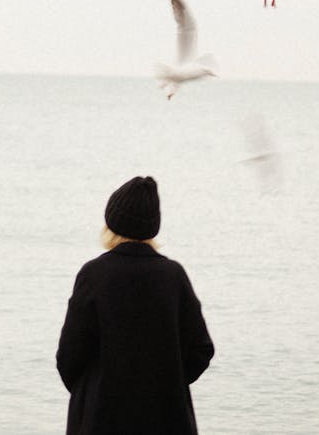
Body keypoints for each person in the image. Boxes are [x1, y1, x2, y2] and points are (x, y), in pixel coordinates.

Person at [56, 176, 214, 435]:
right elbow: (200, 350)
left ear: (111, 223)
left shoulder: (94, 274)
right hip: (167, 421)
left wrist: (92, 393)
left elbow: (69, 356)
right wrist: (169, 384)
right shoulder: (173, 276)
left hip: (100, 421)